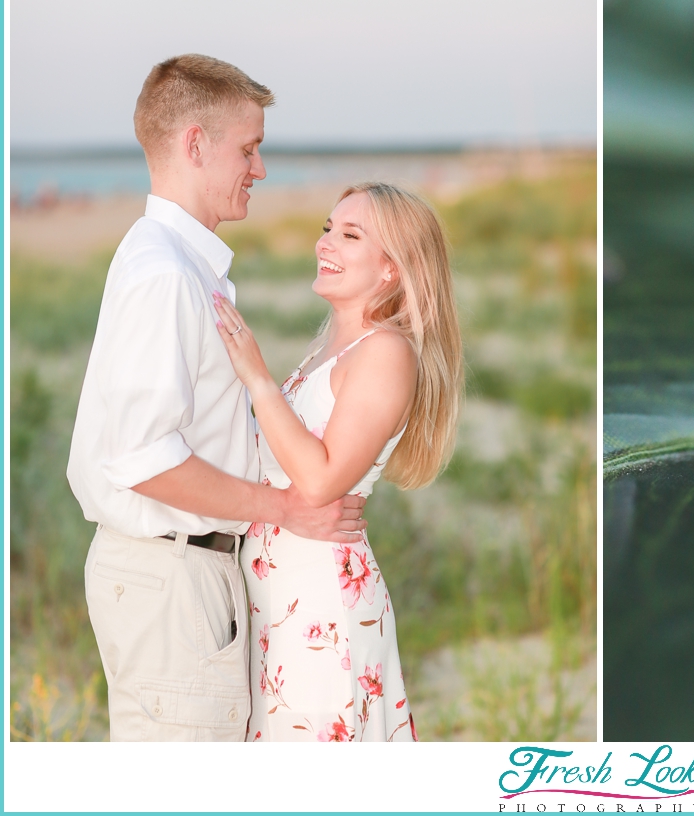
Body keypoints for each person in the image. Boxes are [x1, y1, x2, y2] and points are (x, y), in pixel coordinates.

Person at [67, 54, 369, 741]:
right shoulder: (165, 274)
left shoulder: (172, 263)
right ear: (194, 144)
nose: (259, 169)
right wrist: (286, 508)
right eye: (249, 148)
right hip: (171, 575)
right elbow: (143, 458)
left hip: (177, 573)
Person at [212, 180, 463, 742]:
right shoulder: (331, 348)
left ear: (391, 269)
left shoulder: (387, 352)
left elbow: (322, 479)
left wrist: (256, 377)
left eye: (350, 235)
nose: (326, 242)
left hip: (319, 602)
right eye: (328, 228)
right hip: (280, 593)